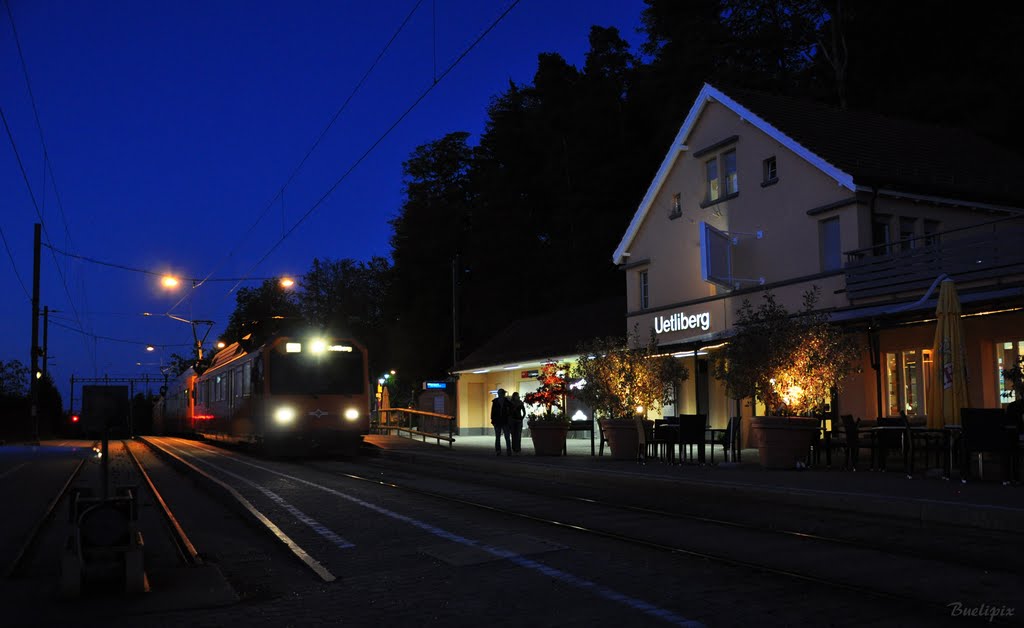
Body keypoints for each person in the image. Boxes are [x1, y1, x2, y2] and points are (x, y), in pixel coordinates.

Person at [490, 388, 512, 456]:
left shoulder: (506, 401)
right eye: (499, 393)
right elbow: (493, 412)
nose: (500, 395)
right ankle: (499, 450)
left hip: (504, 421)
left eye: (500, 393)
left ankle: (508, 450)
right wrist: (493, 420)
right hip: (498, 421)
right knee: (499, 436)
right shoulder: (496, 401)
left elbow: (511, 409)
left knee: (506, 436)